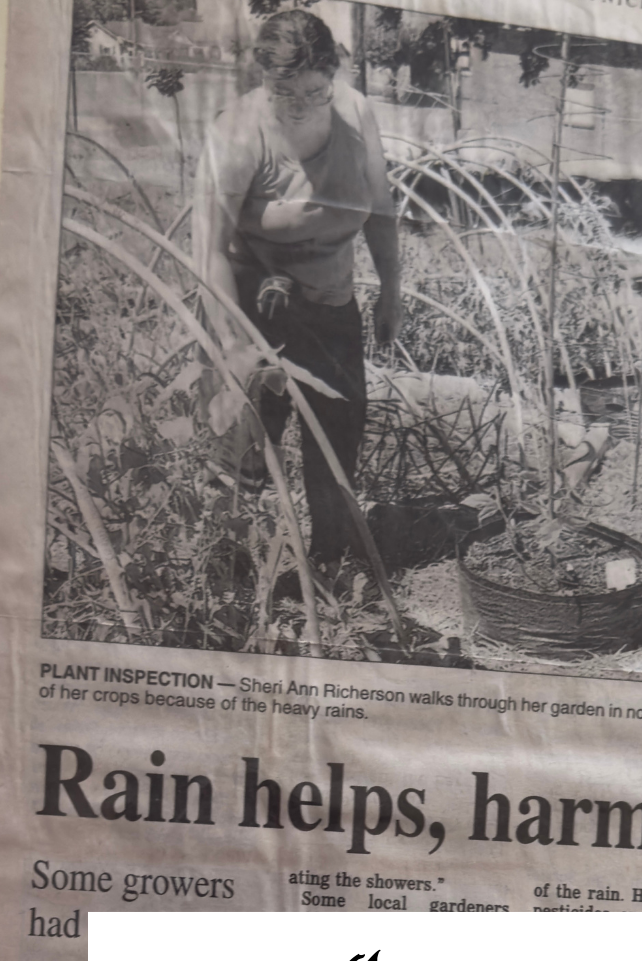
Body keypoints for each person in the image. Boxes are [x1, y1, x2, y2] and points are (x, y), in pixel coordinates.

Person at [193, 7, 402, 575]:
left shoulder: (356, 115)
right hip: (249, 299)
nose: (304, 105)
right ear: (265, 78)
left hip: (330, 300)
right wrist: (233, 342)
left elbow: (381, 208)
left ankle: (330, 562)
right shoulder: (237, 133)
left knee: (337, 434)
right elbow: (208, 248)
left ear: (331, 76)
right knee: (245, 444)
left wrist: (390, 288)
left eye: (316, 90)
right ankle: (226, 575)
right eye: (288, 92)